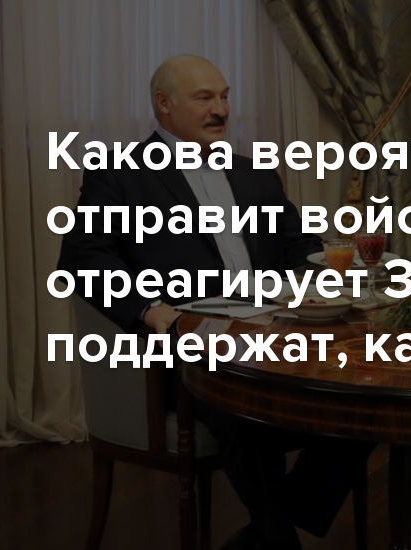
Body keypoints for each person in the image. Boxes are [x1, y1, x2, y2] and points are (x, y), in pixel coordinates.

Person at [58, 55, 373, 550]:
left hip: (275, 332)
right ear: (164, 104)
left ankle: (273, 529)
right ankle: (278, 540)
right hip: (187, 344)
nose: (221, 109)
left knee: (367, 394)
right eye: (204, 98)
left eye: (224, 97)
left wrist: (335, 270)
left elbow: (299, 247)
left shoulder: (255, 173)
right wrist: (153, 311)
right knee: (243, 406)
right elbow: (85, 259)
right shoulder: (120, 174)